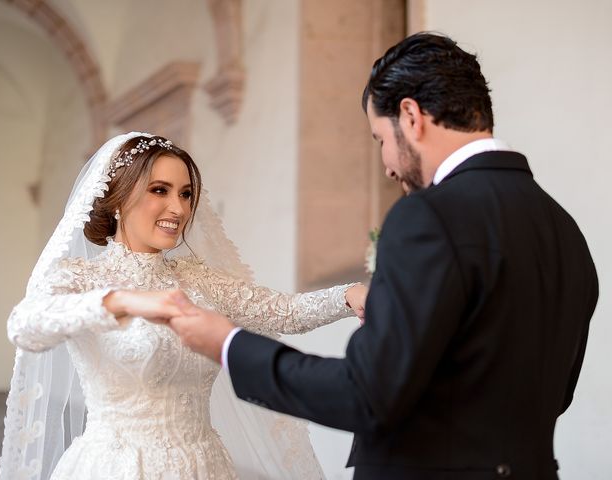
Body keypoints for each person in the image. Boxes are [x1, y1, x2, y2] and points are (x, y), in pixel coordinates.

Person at [169, 33, 599, 479]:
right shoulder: (565, 231)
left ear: (411, 116)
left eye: (380, 138)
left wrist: (227, 344)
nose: (388, 165)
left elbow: (366, 395)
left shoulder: (427, 217)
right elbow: (552, 392)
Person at [0, 132, 368, 480]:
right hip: (120, 467)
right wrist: (122, 300)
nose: (178, 208)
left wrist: (347, 294)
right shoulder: (81, 279)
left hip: (203, 464)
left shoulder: (196, 279)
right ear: (118, 198)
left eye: (186, 194)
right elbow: (24, 325)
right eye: (160, 190)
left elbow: (284, 312)